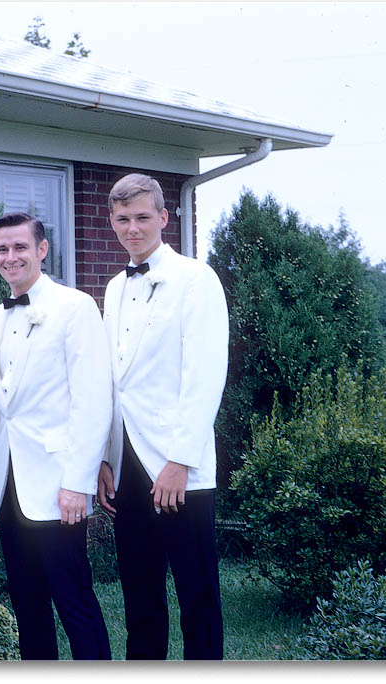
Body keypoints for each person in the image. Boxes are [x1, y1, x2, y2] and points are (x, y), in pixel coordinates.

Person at [97, 173, 228, 660]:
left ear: (164, 218)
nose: (133, 228)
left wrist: (179, 460)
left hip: (180, 467)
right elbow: (115, 384)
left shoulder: (197, 278)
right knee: (140, 593)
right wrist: (105, 458)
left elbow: (204, 375)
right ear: (111, 221)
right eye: (123, 219)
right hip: (128, 465)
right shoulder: (112, 288)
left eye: (143, 218)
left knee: (198, 597)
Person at [0, 211, 112, 660]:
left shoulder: (74, 307)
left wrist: (77, 482)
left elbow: (93, 402)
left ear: (42, 249)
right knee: (27, 607)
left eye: (20, 247)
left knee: (74, 601)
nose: (11, 256)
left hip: (60, 488)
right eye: (2, 249)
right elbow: (1, 414)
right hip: (11, 490)